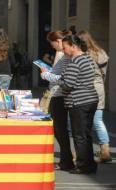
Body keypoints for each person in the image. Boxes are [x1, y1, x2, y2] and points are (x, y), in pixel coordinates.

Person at [58, 35, 98, 174]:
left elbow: (68, 84)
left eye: (65, 47)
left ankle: (82, 165)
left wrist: (59, 81)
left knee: (79, 135)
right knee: (86, 134)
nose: (63, 51)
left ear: (73, 46)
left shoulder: (75, 61)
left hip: (79, 101)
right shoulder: (88, 59)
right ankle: (90, 164)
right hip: (91, 99)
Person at [40, 30, 74, 171]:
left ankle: (67, 160)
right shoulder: (63, 55)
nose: (52, 46)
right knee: (59, 129)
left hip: (59, 94)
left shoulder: (64, 55)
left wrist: (45, 74)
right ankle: (67, 159)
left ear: (59, 41)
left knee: (60, 129)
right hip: (57, 94)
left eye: (52, 43)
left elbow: (60, 77)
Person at [77, 30, 112, 163]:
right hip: (99, 87)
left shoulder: (82, 54)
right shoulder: (100, 52)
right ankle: (105, 150)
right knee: (98, 120)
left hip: (85, 88)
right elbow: (103, 73)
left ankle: (82, 151)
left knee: (83, 121)